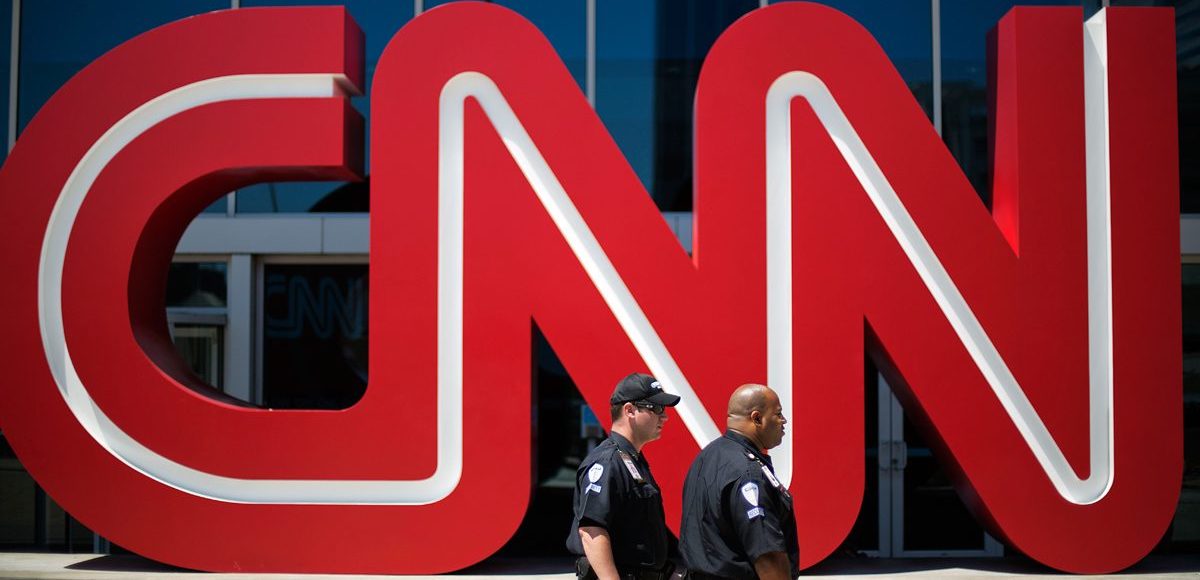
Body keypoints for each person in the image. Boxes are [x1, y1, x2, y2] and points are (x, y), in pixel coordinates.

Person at [567, 372, 681, 580]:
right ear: (629, 410)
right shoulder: (607, 462)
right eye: (656, 408)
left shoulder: (630, 459)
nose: (664, 416)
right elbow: (592, 532)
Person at [679, 384, 798, 580]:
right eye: (778, 414)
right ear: (757, 418)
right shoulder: (749, 474)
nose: (784, 421)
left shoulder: (706, 457)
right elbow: (766, 553)